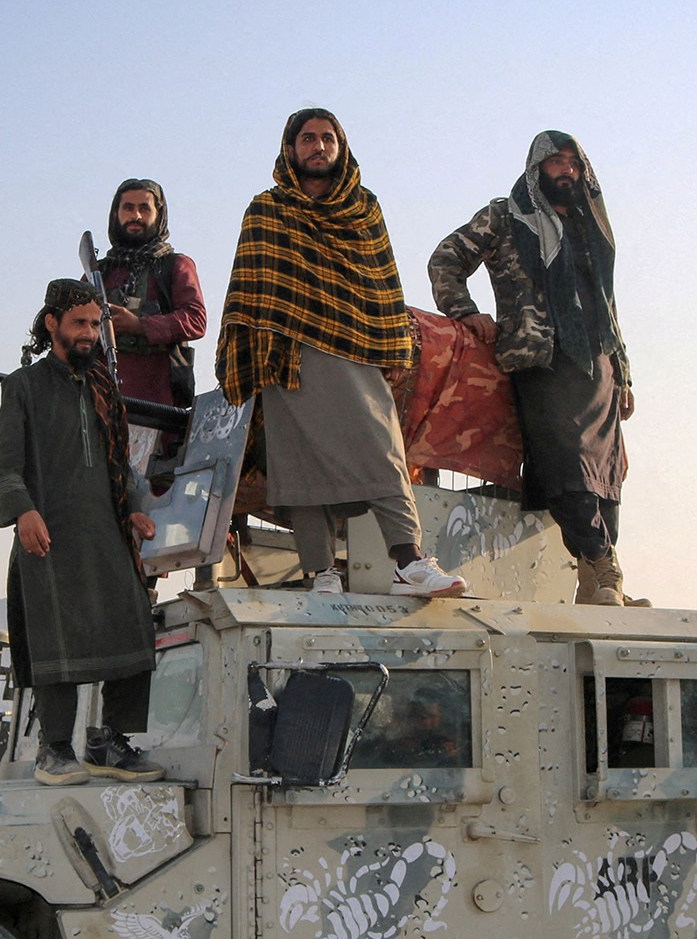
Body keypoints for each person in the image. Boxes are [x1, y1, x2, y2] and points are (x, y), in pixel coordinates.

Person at [217, 108, 465, 598]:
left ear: (341, 147)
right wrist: (246, 355)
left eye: (327, 138)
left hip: (353, 348)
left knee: (381, 452)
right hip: (287, 357)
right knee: (299, 466)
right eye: (308, 138)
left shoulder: (364, 209)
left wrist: (392, 345)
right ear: (291, 149)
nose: (318, 146)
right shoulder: (266, 210)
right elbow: (249, 289)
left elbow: (382, 287)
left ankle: (409, 563)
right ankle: (320, 573)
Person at [428, 131, 650, 606]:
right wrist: (465, 311)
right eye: (556, 161)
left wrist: (624, 374)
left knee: (605, 477)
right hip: (540, 357)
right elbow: (446, 258)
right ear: (537, 168)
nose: (566, 169)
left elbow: (606, 304)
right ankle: (602, 564)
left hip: (599, 362)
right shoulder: (506, 216)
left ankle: (597, 583)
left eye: (573, 162)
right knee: (567, 466)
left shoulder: (592, 227)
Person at [0, 278, 166, 785]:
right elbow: (6, 464)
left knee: (133, 626)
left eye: (95, 324)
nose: (89, 333)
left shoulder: (105, 388)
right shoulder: (23, 387)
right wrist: (23, 512)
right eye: (79, 324)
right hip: (48, 535)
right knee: (57, 639)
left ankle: (110, 742)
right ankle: (55, 749)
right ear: (52, 325)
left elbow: (123, 465)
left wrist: (134, 508)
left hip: (106, 532)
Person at [95, 178, 207, 475]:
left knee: (153, 495)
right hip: (103, 405)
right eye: (128, 208)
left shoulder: (174, 265)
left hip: (158, 405)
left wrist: (140, 325)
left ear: (158, 214)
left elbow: (196, 319)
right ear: (115, 213)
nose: (136, 216)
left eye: (144, 208)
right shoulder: (99, 275)